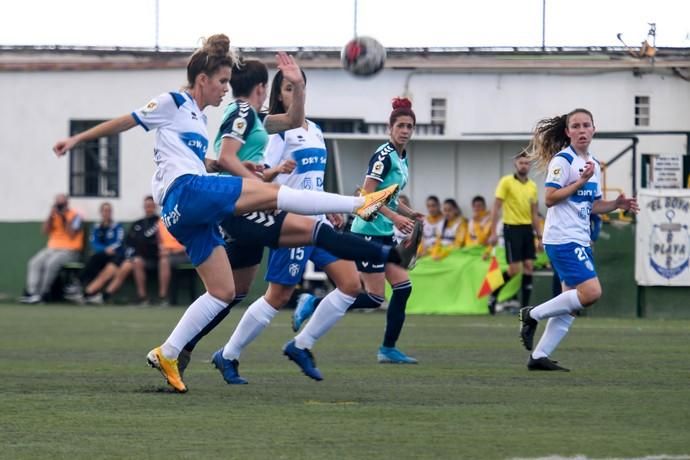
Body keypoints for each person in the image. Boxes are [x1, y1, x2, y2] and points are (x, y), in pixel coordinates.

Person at [52, 35, 396, 393]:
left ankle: (169, 352)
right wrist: (77, 141)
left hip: (186, 209)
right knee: (280, 198)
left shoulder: (199, 118)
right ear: (203, 79)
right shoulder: (174, 101)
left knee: (224, 291)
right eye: (220, 83)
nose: (224, 91)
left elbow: (204, 155)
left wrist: (219, 162)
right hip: (187, 193)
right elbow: (127, 121)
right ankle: (360, 203)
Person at [176, 65, 416, 383]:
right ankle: (228, 354)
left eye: (297, 87)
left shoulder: (314, 130)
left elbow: (311, 179)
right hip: (288, 221)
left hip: (317, 221)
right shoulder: (276, 131)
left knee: (350, 286)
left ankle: (301, 344)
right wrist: (272, 175)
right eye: (286, 88)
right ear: (275, 92)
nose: (292, 93)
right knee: (275, 296)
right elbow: (263, 175)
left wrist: (325, 207)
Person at [519, 108, 639, 371]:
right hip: (562, 238)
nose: (582, 130)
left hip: (579, 238)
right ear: (567, 132)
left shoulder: (593, 164)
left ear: (594, 129)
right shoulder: (563, 161)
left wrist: (617, 204)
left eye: (586, 125)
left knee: (571, 304)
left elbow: (592, 206)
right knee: (591, 293)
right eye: (576, 126)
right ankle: (532, 314)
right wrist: (579, 181)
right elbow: (550, 198)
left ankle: (539, 356)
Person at [348, 97, 424, 364]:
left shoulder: (403, 158)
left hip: (383, 232)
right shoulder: (383, 155)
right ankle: (314, 303)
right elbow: (367, 194)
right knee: (373, 297)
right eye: (401, 125)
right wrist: (394, 217)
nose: (405, 130)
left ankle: (388, 349)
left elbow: (391, 197)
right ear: (390, 127)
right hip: (366, 230)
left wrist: (408, 213)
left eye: (410, 126)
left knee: (403, 288)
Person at [76, 196, 161, 305]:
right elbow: (129, 241)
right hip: (130, 255)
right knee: (111, 267)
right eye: (146, 206)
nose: (148, 208)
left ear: (155, 207)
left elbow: (153, 243)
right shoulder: (138, 223)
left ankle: (106, 296)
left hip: (147, 257)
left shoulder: (159, 222)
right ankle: (87, 294)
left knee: (127, 265)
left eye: (151, 206)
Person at [486, 151, 542, 315]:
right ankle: (494, 294)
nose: (524, 165)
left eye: (526, 163)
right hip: (511, 228)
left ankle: (525, 309)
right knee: (513, 269)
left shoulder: (532, 186)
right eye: (521, 163)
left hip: (526, 229)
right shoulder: (506, 182)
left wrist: (539, 235)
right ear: (515, 165)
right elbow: (496, 207)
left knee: (529, 266)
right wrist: (493, 232)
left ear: (529, 165)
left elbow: (534, 213)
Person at [20, 194, 84, 304]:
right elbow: (44, 231)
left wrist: (64, 217)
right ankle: (32, 293)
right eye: (58, 204)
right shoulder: (53, 215)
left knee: (51, 264)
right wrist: (50, 215)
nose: (59, 206)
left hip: (70, 249)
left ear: (67, 203)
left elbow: (72, 234)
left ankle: (44, 293)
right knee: (34, 262)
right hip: (52, 248)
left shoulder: (76, 216)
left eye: (61, 204)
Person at [64, 202, 124, 300]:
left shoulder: (117, 226)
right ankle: (82, 289)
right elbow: (94, 242)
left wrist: (111, 249)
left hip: (115, 254)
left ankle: (82, 286)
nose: (106, 213)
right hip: (101, 255)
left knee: (101, 263)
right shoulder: (96, 227)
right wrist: (104, 249)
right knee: (94, 259)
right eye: (104, 211)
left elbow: (119, 241)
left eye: (108, 211)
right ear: (101, 212)